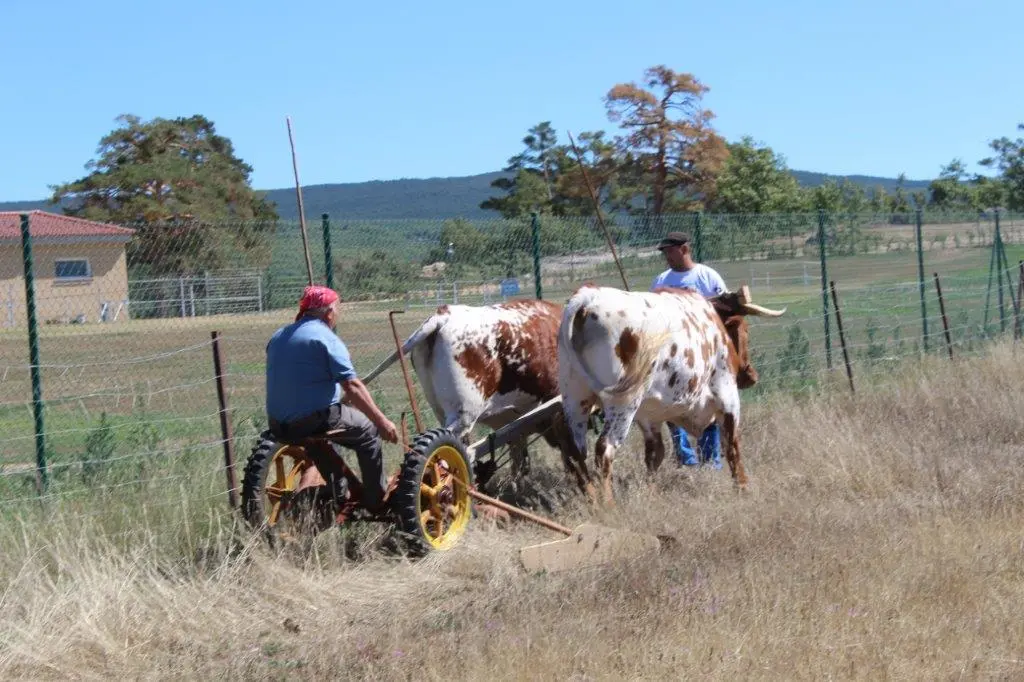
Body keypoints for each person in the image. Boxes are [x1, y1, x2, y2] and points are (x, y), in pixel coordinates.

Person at [265, 285, 399, 512]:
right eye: (338, 309)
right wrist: (382, 422)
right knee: (368, 431)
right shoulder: (327, 339)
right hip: (313, 418)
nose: (338, 315)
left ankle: (339, 488)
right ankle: (377, 500)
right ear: (329, 313)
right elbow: (353, 386)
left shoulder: (278, 336)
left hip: (278, 423)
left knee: (314, 440)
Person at [651, 231, 726, 470]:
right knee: (672, 410)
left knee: (708, 407)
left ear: (684, 249)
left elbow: (723, 311)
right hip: (673, 357)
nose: (667, 257)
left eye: (669, 251)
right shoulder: (661, 280)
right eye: (664, 253)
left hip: (704, 355)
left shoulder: (707, 276)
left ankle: (711, 460)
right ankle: (686, 459)